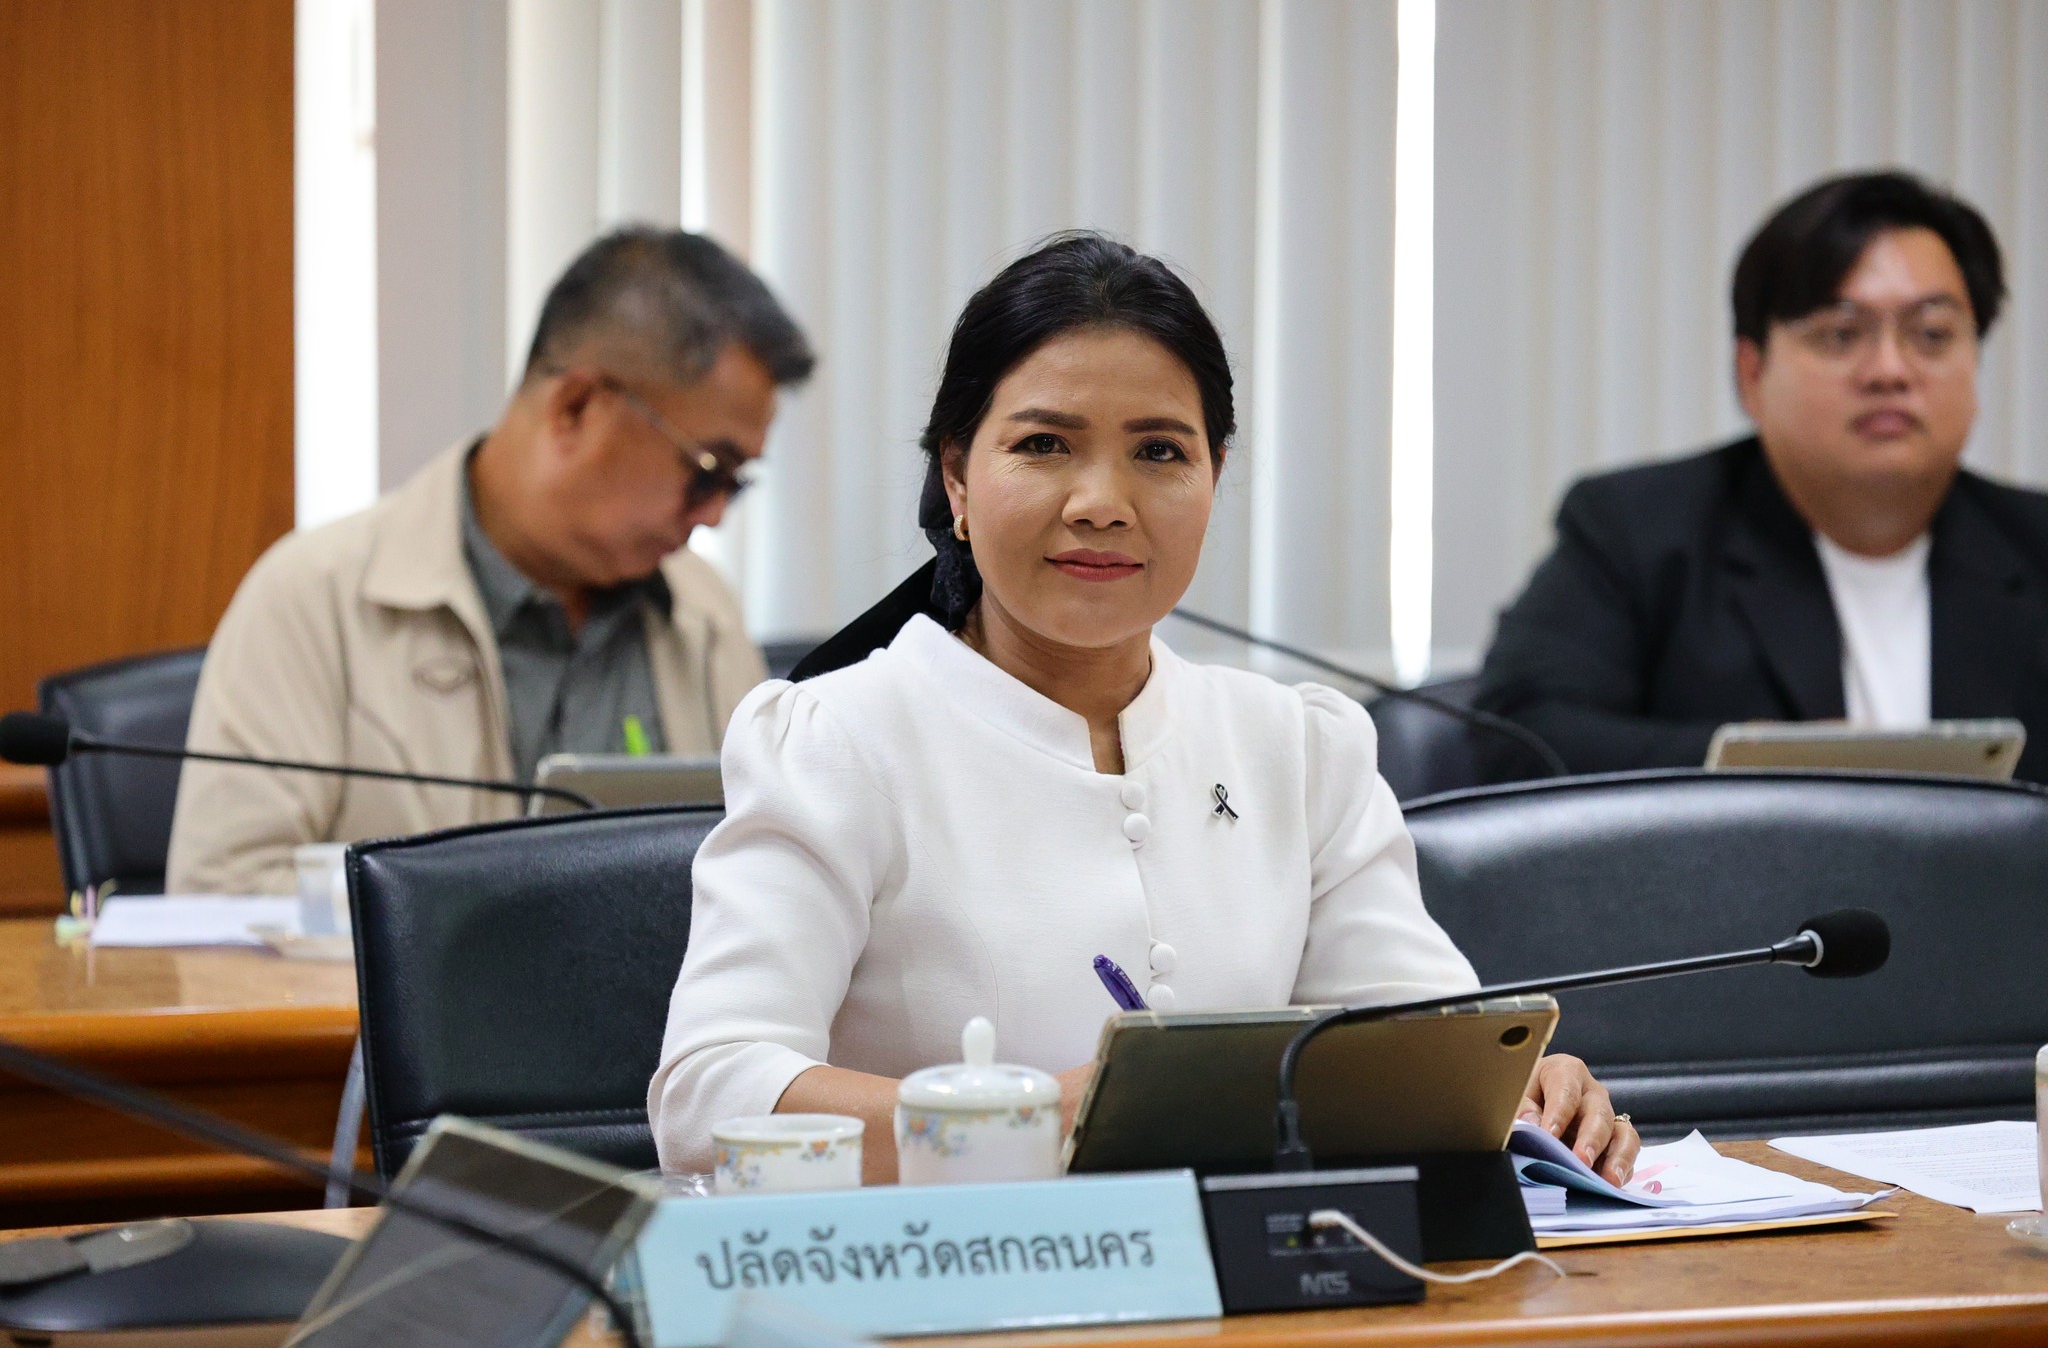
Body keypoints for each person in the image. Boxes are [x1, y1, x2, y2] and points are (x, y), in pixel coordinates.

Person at [650, 234, 1637, 1186]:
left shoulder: (1296, 746)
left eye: (1159, 451)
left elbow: (1416, 1041)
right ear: (956, 477)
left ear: (1214, 476)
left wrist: (1517, 1088)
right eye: (1043, 445)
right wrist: (1028, 1120)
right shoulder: (837, 740)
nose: (1101, 502)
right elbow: (711, 1094)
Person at [165, 229, 815, 894]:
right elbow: (221, 892)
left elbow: (760, 870)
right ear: (575, 407)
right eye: (708, 470)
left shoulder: (704, 610)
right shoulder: (313, 598)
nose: (715, 515)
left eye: (737, 485)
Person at [1476, 170, 2048, 780]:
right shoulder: (1638, 534)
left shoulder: (2035, 543)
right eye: (1842, 334)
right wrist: (1759, 769)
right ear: (1752, 375)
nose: (1890, 370)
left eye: (1931, 335)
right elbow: (1518, 735)